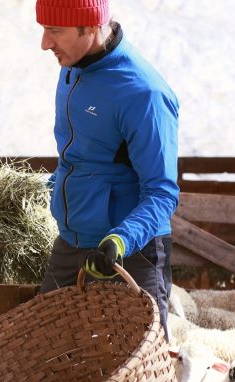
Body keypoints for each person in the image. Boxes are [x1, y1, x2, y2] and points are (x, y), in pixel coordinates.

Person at [36, 0, 180, 339]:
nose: (44, 43)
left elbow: (162, 192)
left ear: (89, 27)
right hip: (72, 243)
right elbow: (80, 157)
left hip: (128, 254)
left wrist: (120, 240)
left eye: (54, 30)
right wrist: (49, 187)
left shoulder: (144, 93)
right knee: (44, 347)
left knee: (142, 361)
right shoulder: (72, 68)